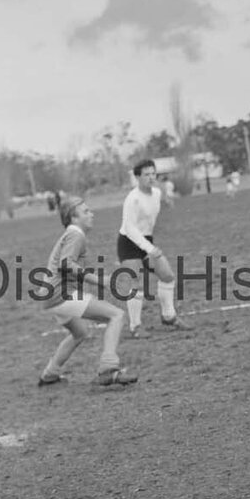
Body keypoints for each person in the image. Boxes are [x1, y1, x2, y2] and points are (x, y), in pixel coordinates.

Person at [38, 197, 137, 387]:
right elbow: (66, 264)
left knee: (80, 332)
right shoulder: (76, 235)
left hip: (50, 296)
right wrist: (100, 281)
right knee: (116, 315)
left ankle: (50, 374)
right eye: (86, 211)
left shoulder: (71, 234)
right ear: (73, 218)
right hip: (61, 294)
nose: (92, 214)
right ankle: (108, 368)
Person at [117, 158, 186, 338]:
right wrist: (149, 248)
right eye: (146, 174)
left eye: (153, 173)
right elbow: (130, 228)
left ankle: (169, 316)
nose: (150, 177)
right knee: (136, 284)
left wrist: (168, 201)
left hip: (146, 240)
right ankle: (135, 326)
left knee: (167, 276)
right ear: (137, 177)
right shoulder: (132, 199)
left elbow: (156, 205)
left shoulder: (156, 193)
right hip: (129, 242)